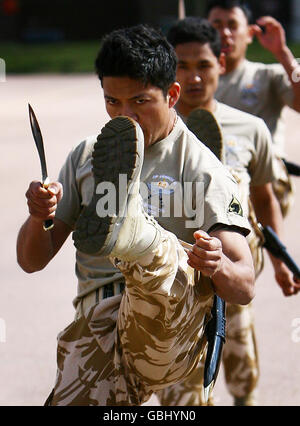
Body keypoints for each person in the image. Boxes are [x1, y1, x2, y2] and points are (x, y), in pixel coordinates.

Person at [16, 24, 255, 406]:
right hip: (101, 330)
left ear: (172, 94)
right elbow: (31, 260)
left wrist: (216, 264)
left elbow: (244, 284)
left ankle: (136, 231)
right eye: (113, 102)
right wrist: (37, 216)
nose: (124, 115)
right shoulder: (87, 156)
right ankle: (128, 228)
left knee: (159, 250)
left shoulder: (203, 170)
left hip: (171, 335)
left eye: (140, 102)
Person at [157, 16, 300, 407]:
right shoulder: (154, 133)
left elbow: (265, 199)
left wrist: (280, 259)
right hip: (175, 286)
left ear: (221, 63)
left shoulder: (250, 128)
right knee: (182, 399)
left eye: (203, 65)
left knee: (243, 379)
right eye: (182, 66)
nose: (194, 77)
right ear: (168, 69)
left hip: (233, 278)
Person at [205, 0, 300, 217]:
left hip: (264, 181)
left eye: (232, 25)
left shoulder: (267, 75)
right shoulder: (195, 83)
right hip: (211, 181)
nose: (225, 33)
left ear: (249, 33)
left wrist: (283, 53)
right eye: (217, 26)